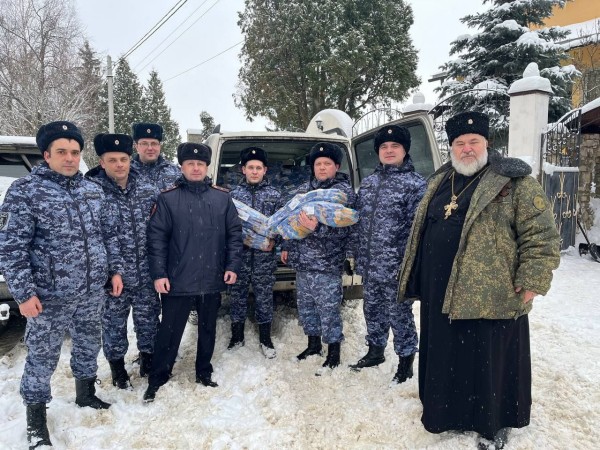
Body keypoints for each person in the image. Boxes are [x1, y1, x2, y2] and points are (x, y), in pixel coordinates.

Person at [396, 111, 561, 449]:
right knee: (448, 353)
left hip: (493, 291)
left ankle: (494, 422)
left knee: (489, 357)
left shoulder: (514, 182)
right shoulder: (440, 181)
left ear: (487, 143)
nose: (467, 149)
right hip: (440, 288)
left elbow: (542, 235)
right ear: (452, 147)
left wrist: (532, 277)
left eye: (473, 142)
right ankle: (450, 414)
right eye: (459, 143)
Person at [0, 121, 123, 449]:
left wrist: (114, 271)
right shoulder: (26, 191)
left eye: (74, 152)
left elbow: (106, 236)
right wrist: (24, 293)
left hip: (91, 291)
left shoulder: (91, 191)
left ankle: (85, 394)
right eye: (62, 152)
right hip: (48, 296)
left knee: (87, 343)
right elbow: (12, 247)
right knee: (42, 355)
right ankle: (36, 420)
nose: (70, 158)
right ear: (46, 155)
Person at [143, 142, 243, 402]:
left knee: (208, 329)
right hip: (177, 279)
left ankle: (203, 371)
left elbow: (234, 235)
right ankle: (159, 377)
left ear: (207, 167)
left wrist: (232, 266)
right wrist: (159, 274)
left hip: (212, 277)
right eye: (191, 164)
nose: (196, 168)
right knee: (170, 331)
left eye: (200, 164)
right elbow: (156, 239)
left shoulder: (222, 198)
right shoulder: (167, 198)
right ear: (182, 166)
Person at [347, 125, 426, 383]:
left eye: (395, 147)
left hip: (397, 267)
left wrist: (410, 265)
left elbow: (419, 231)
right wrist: (354, 254)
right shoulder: (368, 184)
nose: (389, 151)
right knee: (372, 310)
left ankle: (405, 361)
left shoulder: (416, 185)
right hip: (369, 265)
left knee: (400, 315)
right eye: (384, 147)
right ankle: (376, 351)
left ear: (405, 150)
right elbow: (358, 223)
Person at [85, 133, 161, 389]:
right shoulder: (91, 193)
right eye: (113, 159)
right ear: (102, 162)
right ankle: (118, 369)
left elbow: (159, 229)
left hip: (146, 272)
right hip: (112, 276)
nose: (119, 164)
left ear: (130, 159)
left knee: (149, 319)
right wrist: (109, 272)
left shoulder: (148, 190)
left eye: (124, 159)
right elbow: (92, 238)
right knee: (113, 324)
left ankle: (148, 362)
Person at [280, 142, 356, 374]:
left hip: (327, 262)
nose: (322, 168)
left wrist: (317, 229)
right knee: (306, 306)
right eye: (318, 164)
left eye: (327, 164)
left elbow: (348, 227)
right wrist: (286, 244)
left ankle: (333, 350)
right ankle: (313, 345)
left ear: (336, 166)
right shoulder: (305, 191)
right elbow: (291, 219)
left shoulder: (342, 195)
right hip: (303, 261)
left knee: (329, 308)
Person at [228, 147, 282, 358]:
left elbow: (279, 226)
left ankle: (265, 338)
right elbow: (227, 227)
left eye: (258, 167)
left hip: (264, 258)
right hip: (238, 257)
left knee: (264, 297)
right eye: (250, 167)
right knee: (237, 296)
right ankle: (237, 336)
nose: (254, 171)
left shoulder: (274, 196)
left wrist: (273, 243)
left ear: (265, 170)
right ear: (243, 170)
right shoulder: (233, 196)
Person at [131, 122, 180, 191]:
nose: (150, 148)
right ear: (136, 146)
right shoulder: (127, 172)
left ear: (160, 146)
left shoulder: (175, 171)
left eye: (154, 143)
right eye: (144, 144)